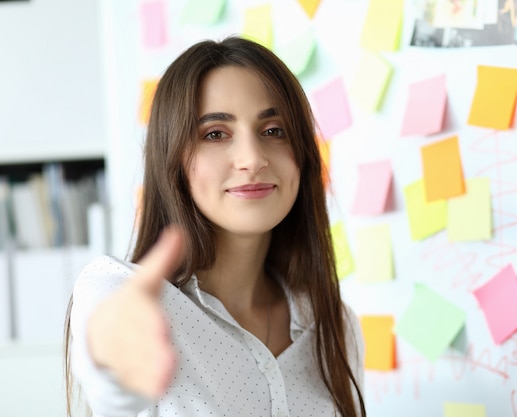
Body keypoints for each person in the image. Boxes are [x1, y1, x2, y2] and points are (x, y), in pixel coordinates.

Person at [64, 36, 366, 417]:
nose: (252, 159)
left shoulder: (337, 326)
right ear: (173, 162)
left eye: (274, 130)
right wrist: (111, 366)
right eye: (215, 134)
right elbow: (114, 390)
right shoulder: (122, 294)